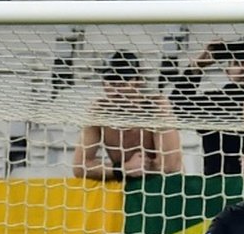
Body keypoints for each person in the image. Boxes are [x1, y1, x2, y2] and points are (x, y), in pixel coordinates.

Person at [73, 50, 183, 182]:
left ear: (138, 81)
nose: (118, 89)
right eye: (112, 82)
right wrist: (123, 168)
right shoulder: (99, 112)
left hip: (165, 186)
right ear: (103, 84)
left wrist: (138, 168)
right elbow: (79, 167)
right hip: (125, 186)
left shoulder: (156, 107)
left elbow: (171, 166)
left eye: (124, 81)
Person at [170, 37, 244, 175]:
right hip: (218, 188)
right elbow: (174, 109)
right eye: (239, 62)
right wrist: (198, 65)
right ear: (228, 71)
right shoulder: (215, 102)